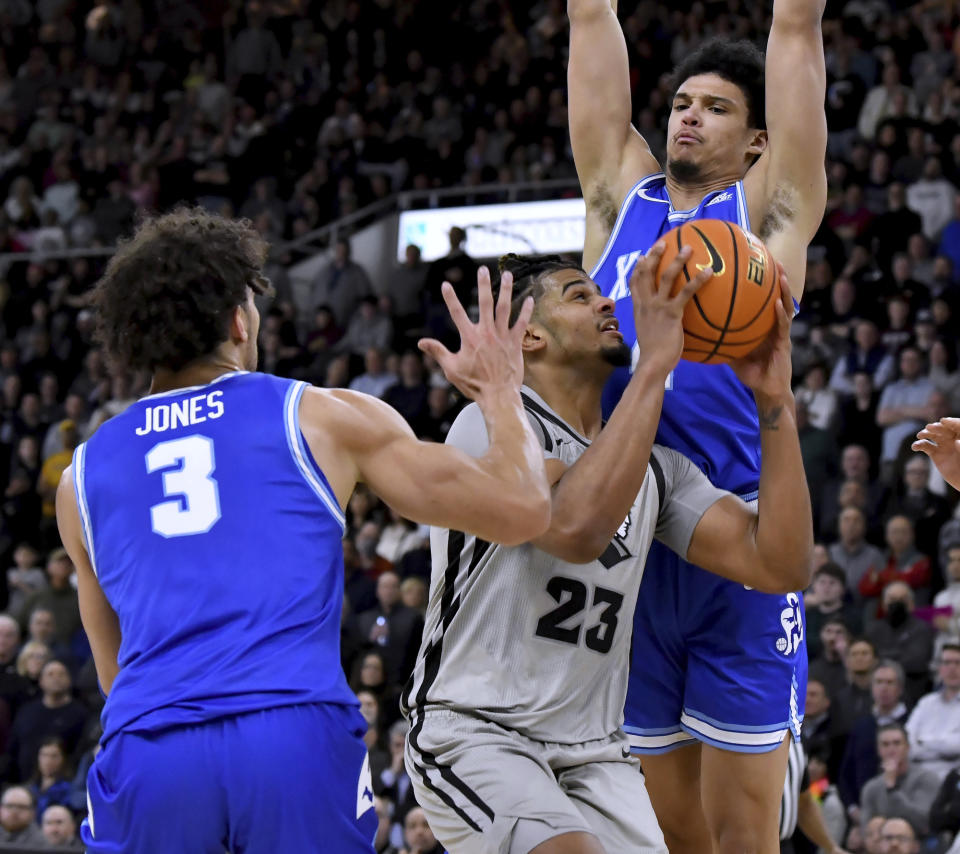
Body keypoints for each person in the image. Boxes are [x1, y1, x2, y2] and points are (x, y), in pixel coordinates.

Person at [53, 209, 552, 853]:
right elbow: (521, 508)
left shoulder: (79, 479)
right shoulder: (317, 415)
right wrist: (502, 391)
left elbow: (112, 669)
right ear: (238, 320)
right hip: (289, 728)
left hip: (151, 745)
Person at [404, 249, 811, 853]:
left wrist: (775, 402)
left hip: (594, 752)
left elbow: (780, 564)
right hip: (476, 730)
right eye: (578, 295)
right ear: (531, 335)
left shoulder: (656, 473)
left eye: (601, 292)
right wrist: (656, 365)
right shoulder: (491, 425)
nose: (605, 303)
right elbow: (574, 530)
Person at [566, 0, 827, 848]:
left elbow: (794, 27)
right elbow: (588, 18)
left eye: (716, 107)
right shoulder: (617, 200)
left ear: (757, 143)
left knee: (743, 835)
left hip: (738, 537)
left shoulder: (768, 216)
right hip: (633, 547)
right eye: (682, 101)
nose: (688, 114)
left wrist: (797, 21)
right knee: (672, 835)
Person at [859, 723, 939, 837]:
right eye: (885, 745)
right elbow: (866, 832)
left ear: (907, 747)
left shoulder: (926, 778)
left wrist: (892, 789)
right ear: (878, 750)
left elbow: (923, 823)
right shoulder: (871, 788)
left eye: (897, 743)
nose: (891, 749)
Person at [903, 644, 960, 783]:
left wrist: (922, 741)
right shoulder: (926, 703)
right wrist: (942, 748)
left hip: (953, 781)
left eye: (958, 663)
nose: (952, 668)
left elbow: (956, 745)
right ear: (939, 669)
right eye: (946, 662)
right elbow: (905, 743)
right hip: (918, 779)